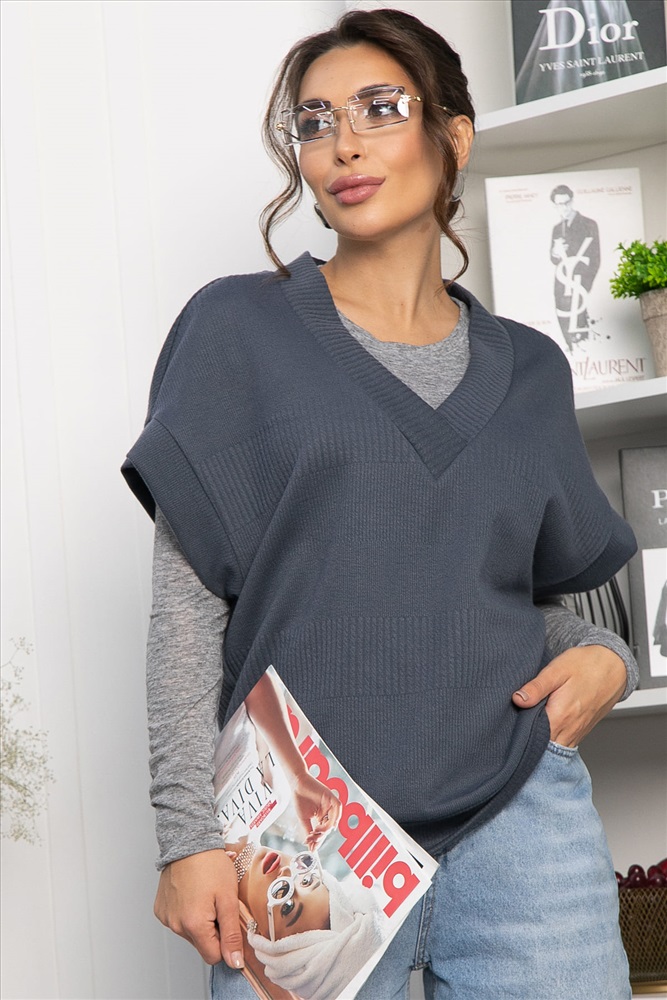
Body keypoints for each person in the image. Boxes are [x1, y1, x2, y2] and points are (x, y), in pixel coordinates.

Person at [123, 8, 638, 998]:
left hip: (521, 822)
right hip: (303, 831)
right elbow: (188, 614)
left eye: (378, 108)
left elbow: (499, 596)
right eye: (314, 121)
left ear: (454, 135)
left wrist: (606, 658)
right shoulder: (235, 330)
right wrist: (187, 837)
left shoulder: (530, 369)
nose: (343, 144)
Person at [549, 183, 601, 350]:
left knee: (582, 322)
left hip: (580, 282)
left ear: (572, 201)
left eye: (566, 203)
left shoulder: (589, 224)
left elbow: (595, 258)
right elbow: (553, 259)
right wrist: (556, 252)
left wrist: (584, 284)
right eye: (559, 204)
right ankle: (570, 349)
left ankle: (582, 349)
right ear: (555, 205)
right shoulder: (557, 229)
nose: (563, 208)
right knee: (564, 318)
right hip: (562, 283)